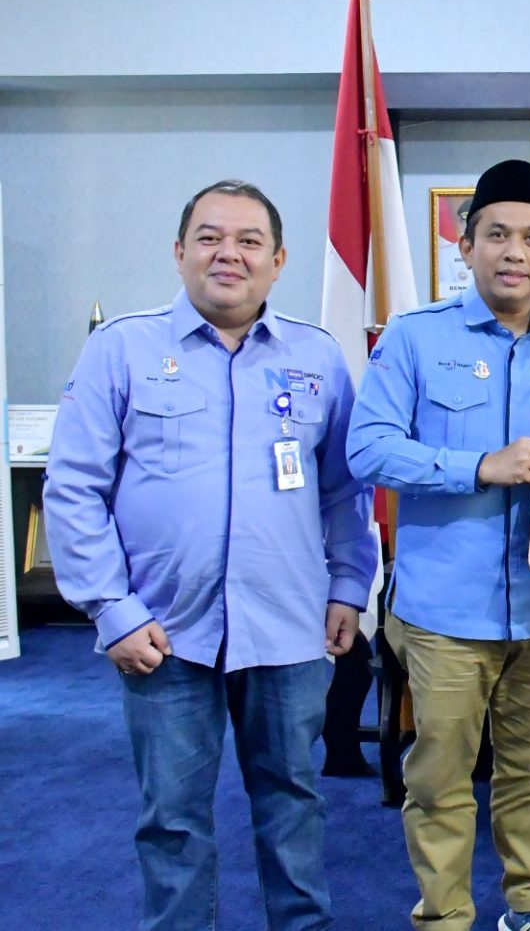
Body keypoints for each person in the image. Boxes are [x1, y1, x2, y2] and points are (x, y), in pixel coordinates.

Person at [44, 178, 377, 931]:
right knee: (172, 819)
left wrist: (349, 585)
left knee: (294, 805)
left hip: (287, 626)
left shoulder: (317, 356)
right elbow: (73, 488)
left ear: (278, 260)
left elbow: (343, 491)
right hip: (163, 632)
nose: (229, 253)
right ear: (179, 251)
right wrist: (112, 610)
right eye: (210, 237)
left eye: (249, 240)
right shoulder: (121, 348)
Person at [348, 159, 530, 931]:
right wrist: (478, 466)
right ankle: (445, 914)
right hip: (445, 610)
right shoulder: (414, 337)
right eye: (497, 234)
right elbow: (367, 449)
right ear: (465, 246)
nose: (514, 252)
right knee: (438, 777)